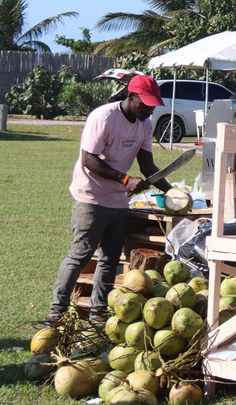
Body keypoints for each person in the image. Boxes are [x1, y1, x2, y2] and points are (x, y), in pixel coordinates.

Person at [48, 75, 174, 324]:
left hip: (118, 201)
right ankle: (56, 313)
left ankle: (97, 315)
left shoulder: (145, 124)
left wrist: (172, 194)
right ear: (131, 96)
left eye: (153, 106)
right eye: (145, 104)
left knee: (110, 259)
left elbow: (147, 165)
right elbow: (89, 159)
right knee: (81, 255)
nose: (149, 110)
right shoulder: (104, 117)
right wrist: (125, 180)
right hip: (91, 196)